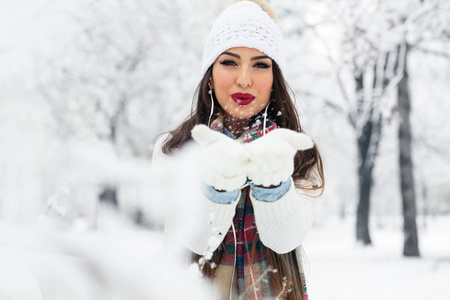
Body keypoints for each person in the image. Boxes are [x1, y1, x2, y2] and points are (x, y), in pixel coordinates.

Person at [153, 1, 324, 299]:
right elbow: (195, 238)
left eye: (260, 64)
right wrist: (218, 180)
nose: (244, 78)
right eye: (229, 62)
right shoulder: (174, 150)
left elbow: (284, 239)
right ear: (210, 72)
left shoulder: (297, 153)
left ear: (275, 78)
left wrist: (272, 179)